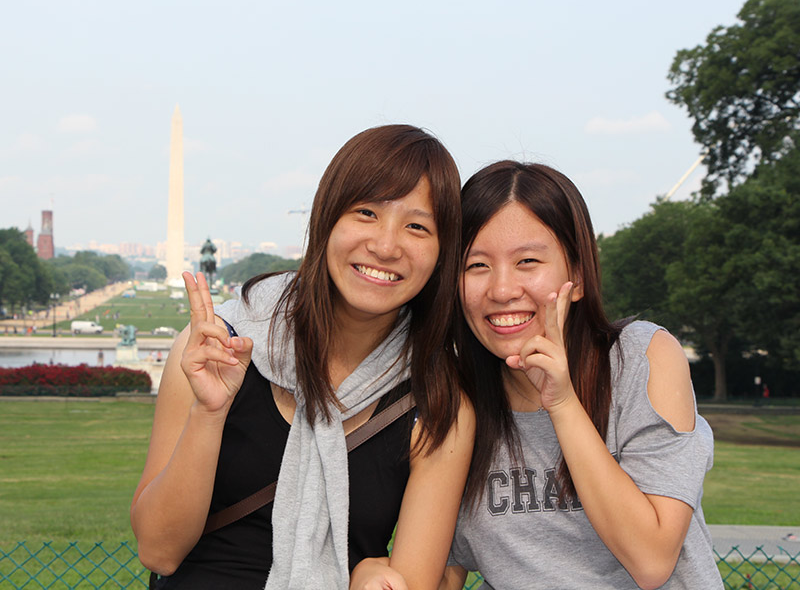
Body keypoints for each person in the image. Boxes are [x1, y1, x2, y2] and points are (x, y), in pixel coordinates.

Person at [131, 124, 474, 590]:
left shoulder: (439, 402)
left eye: (417, 226)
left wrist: (369, 579)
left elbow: (409, 580)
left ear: (442, 251)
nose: (386, 245)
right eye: (367, 212)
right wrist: (208, 414)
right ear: (326, 217)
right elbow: (158, 550)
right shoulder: (218, 348)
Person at [440, 161, 722, 590]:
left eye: (527, 261)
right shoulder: (459, 401)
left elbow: (651, 559)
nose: (501, 290)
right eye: (476, 265)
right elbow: (443, 570)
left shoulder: (641, 358)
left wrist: (563, 404)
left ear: (578, 275)